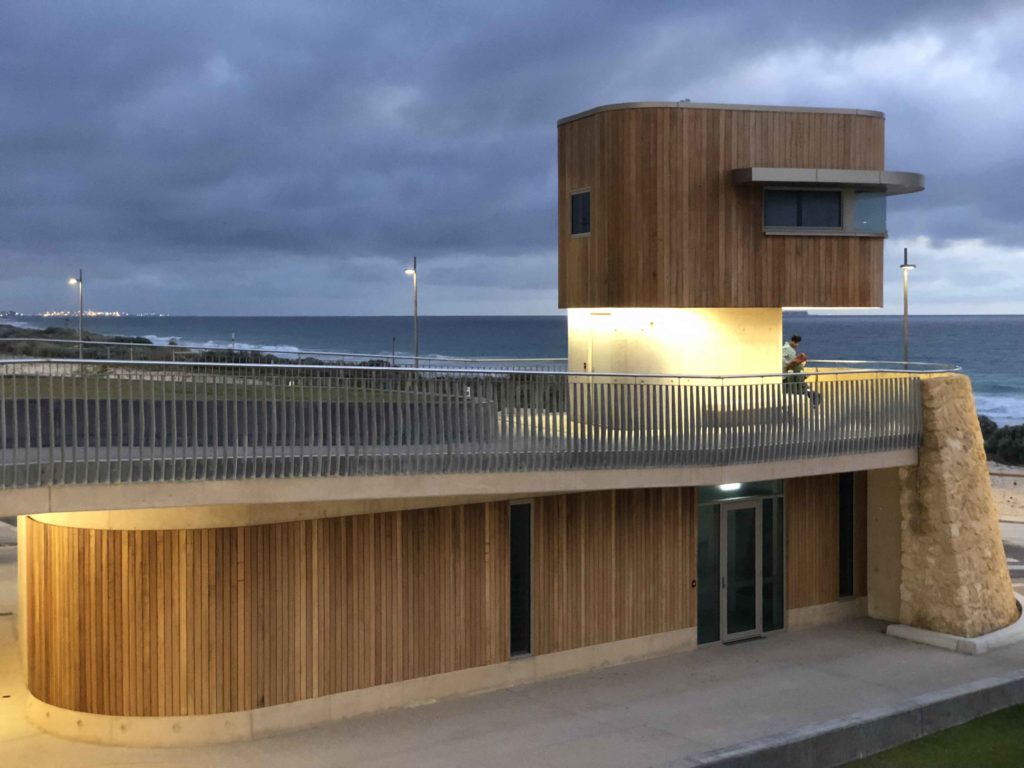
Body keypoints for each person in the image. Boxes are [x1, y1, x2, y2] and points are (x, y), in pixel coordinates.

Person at [782, 335, 821, 406]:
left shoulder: (791, 367)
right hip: (796, 389)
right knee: (817, 395)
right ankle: (814, 408)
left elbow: (794, 377)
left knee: (812, 393)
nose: (797, 345)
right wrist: (805, 377)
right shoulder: (799, 367)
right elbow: (799, 381)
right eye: (796, 343)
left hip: (788, 386)